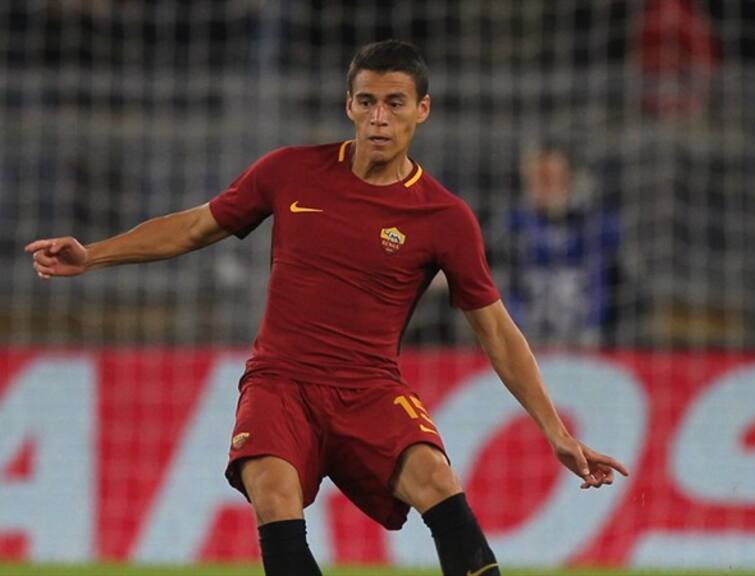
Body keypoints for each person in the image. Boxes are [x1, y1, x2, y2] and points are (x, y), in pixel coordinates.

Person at [25, 40, 628, 576]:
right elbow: (193, 228)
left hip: (368, 388)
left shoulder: (444, 218)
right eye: (366, 101)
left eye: (395, 103)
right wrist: (93, 256)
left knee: (437, 481)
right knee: (271, 489)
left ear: (423, 110)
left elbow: (496, 331)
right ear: (348, 106)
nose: (379, 118)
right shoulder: (291, 172)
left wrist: (557, 431)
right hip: (280, 382)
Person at [507, 144, 622, 348]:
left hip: (590, 342)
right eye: (536, 179)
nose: (542, 188)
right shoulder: (511, 228)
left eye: (550, 179)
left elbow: (617, 281)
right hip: (525, 342)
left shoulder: (597, 226)